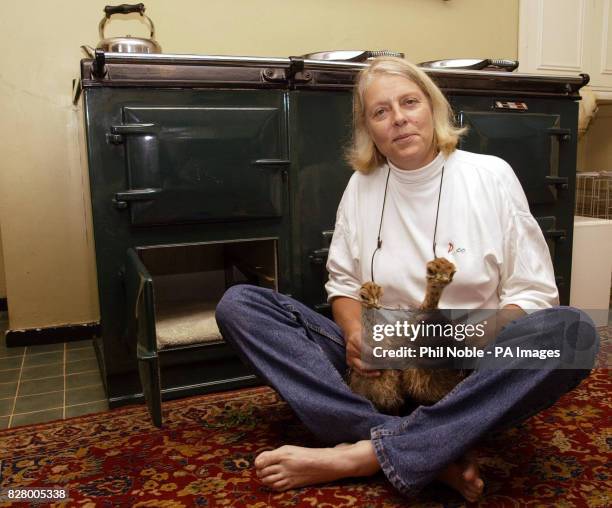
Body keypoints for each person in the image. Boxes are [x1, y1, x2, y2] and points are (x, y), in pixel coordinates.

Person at [215, 57, 598, 502]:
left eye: (409, 102)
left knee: (572, 333)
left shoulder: (490, 175)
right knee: (240, 306)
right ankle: (426, 446)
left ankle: (365, 453)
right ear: (370, 129)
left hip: (464, 361)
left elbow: (533, 292)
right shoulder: (362, 185)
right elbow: (341, 285)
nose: (398, 118)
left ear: (432, 108)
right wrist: (357, 333)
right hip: (383, 362)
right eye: (381, 111)